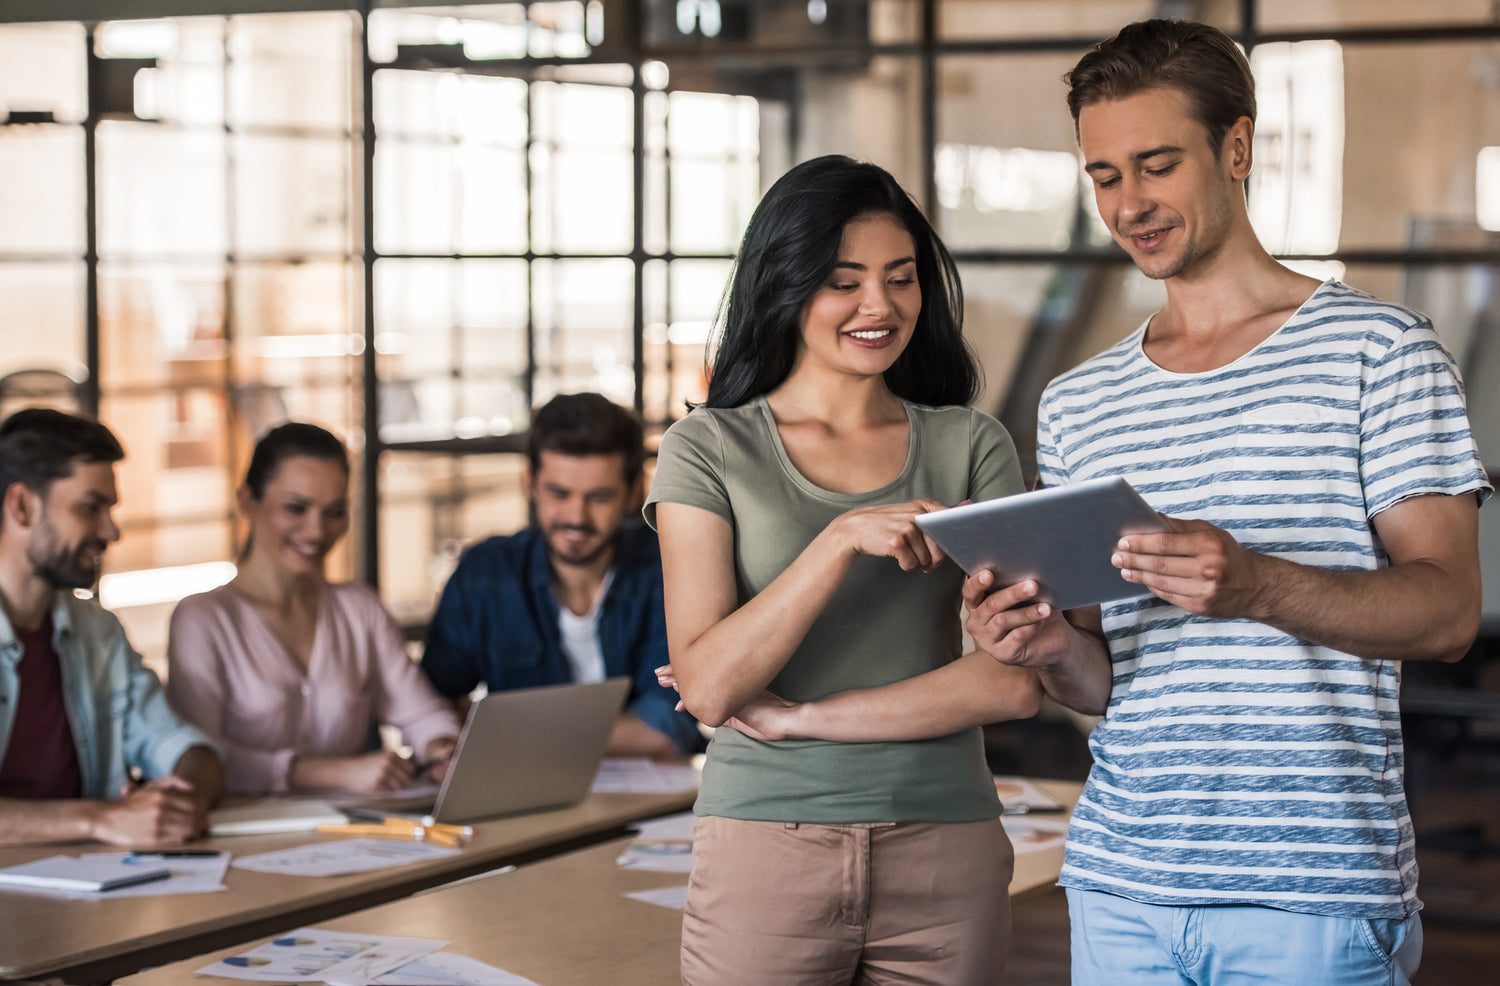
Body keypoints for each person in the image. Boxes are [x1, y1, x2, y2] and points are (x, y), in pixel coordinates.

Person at [716, 20, 1491, 986]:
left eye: (1156, 165)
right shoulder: (1082, 402)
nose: (1129, 204)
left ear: (1238, 148)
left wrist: (1254, 585)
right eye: (1104, 175)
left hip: (1313, 896)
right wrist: (1045, 648)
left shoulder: (1381, 353)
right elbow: (1097, 680)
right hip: (1119, 889)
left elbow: (1450, 611)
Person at [646, 154, 1042, 984]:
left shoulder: (970, 446)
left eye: (901, 279)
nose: (880, 306)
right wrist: (837, 540)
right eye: (844, 281)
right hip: (765, 845)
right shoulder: (709, 448)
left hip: (947, 845)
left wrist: (805, 719)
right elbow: (710, 686)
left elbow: (1009, 683)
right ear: (785, 286)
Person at [167, 422, 461, 796]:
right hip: (242, 842)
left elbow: (421, 714)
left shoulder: (360, 610)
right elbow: (199, 758)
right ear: (247, 502)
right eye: (296, 508)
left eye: (335, 511)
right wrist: (333, 773)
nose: (317, 531)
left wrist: (441, 749)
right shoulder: (203, 620)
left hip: (359, 837)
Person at [420, 392, 701, 760]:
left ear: (634, 492)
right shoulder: (485, 574)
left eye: (598, 497)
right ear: (530, 482)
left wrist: (505, 730)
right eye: (559, 493)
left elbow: (666, 729)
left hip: (648, 807)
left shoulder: (667, 569)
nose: (576, 518)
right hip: (519, 796)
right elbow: (431, 706)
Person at [0, 408, 223, 847]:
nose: (111, 531)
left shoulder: (97, 632)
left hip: (90, 895)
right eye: (90, 508)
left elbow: (180, 746)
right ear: (22, 507)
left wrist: (178, 799)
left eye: (110, 509)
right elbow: (106, 819)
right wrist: (100, 819)